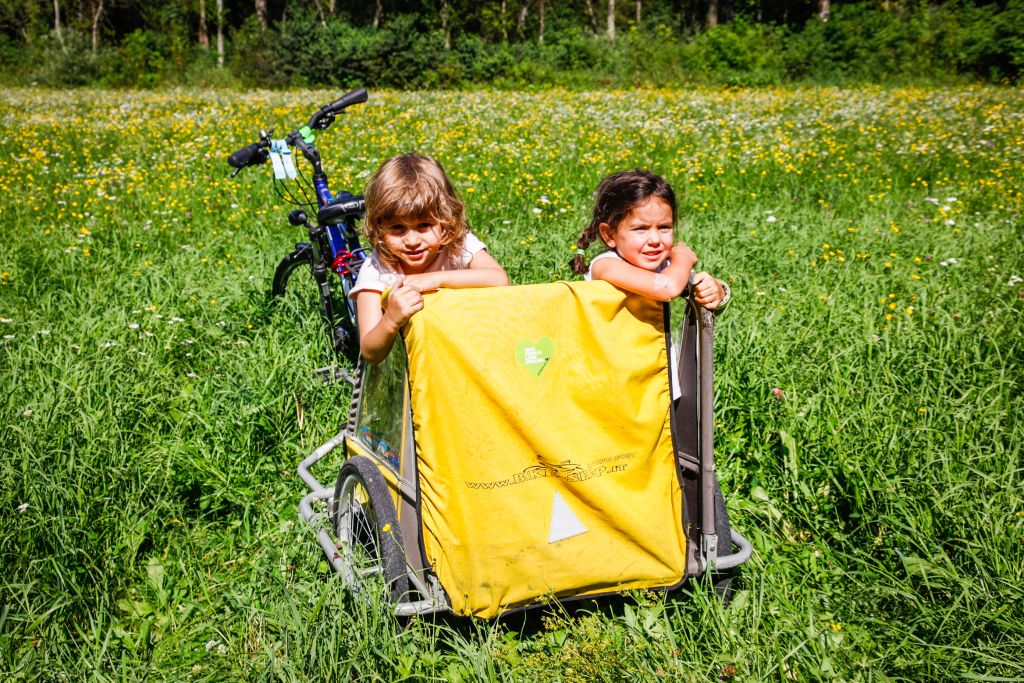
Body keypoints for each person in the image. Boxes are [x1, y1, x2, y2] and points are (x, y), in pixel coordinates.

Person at [351, 153, 509, 364]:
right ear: (380, 228)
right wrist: (390, 320)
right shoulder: (377, 269)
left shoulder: (457, 244)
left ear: (446, 221)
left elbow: (499, 280)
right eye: (398, 228)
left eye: (424, 225)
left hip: (463, 353)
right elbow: (370, 352)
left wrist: (434, 279)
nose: (412, 240)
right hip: (412, 368)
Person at [570, 170, 727, 309]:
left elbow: (698, 300)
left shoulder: (667, 265)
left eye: (664, 227)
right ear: (609, 235)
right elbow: (668, 288)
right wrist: (684, 258)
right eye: (640, 229)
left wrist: (717, 292)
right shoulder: (606, 266)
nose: (654, 240)